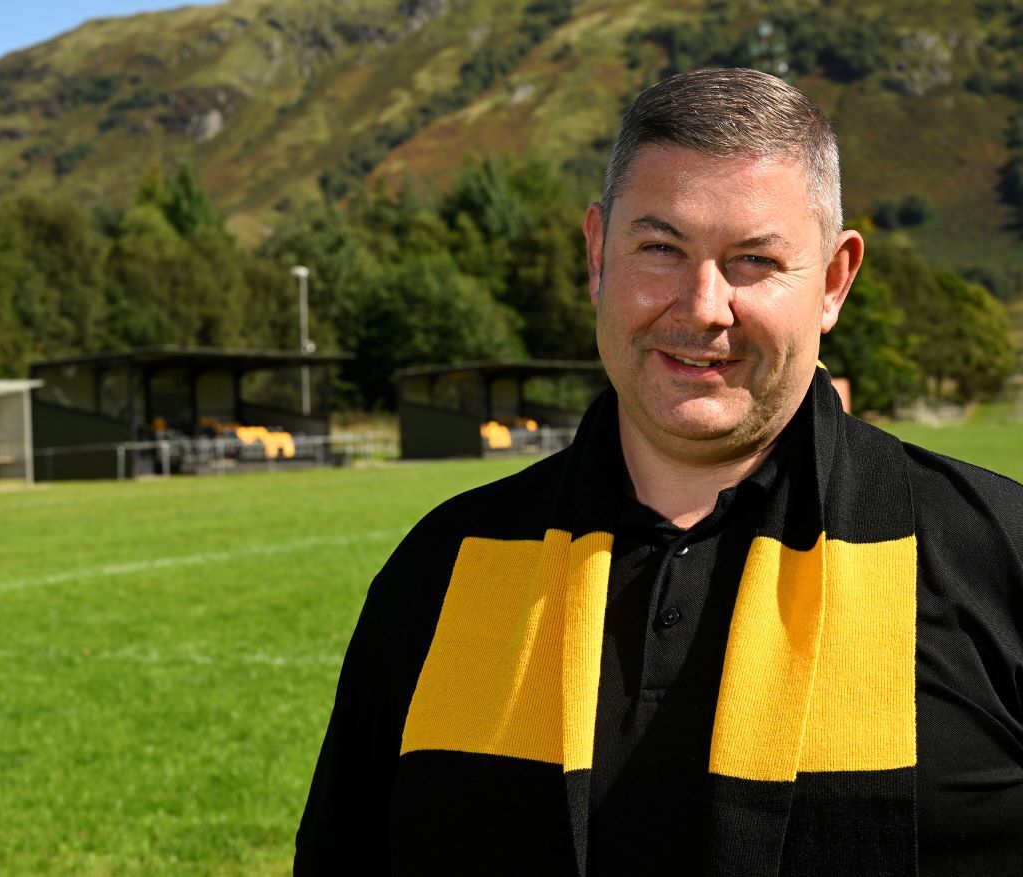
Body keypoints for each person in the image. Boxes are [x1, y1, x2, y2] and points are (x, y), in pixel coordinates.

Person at [295, 68, 1023, 876]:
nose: (703, 305)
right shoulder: (439, 568)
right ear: (598, 253)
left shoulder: (996, 555)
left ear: (833, 280)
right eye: (661, 248)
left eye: (753, 260)